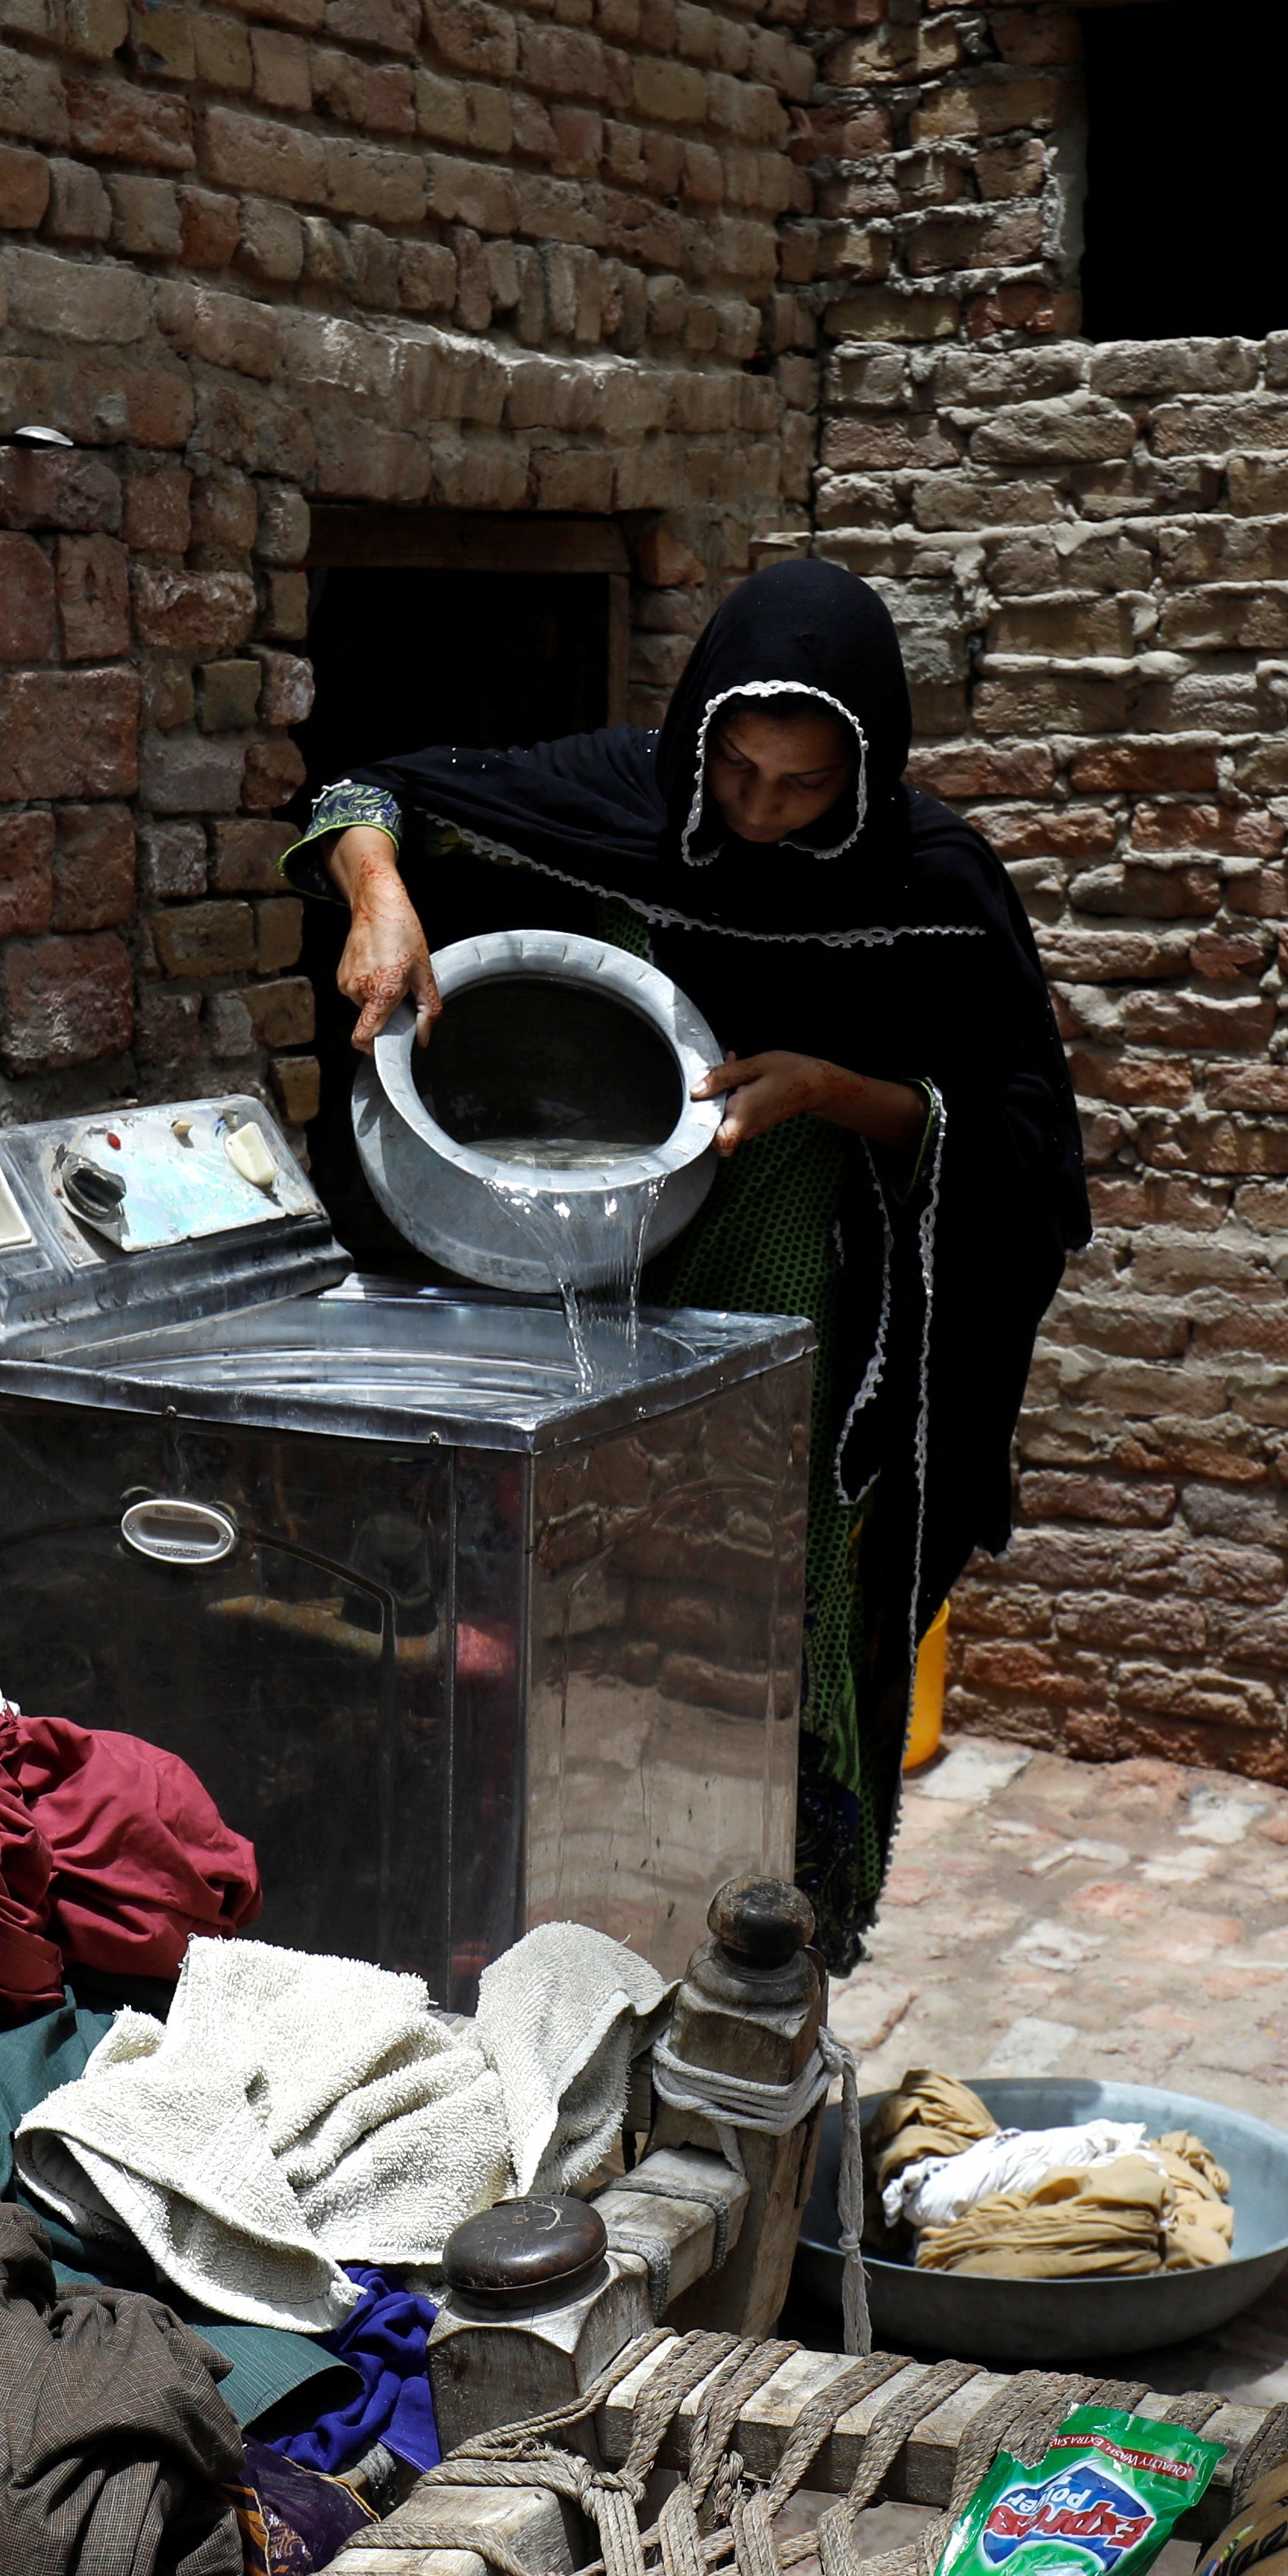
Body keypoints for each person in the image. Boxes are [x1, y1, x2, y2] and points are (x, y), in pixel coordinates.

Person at [285, 561, 1089, 1966]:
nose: (761, 811)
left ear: (868, 764)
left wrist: (835, 1090)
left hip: (790, 1233)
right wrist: (378, 897)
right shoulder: (632, 792)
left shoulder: (931, 881)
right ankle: (553, 1890)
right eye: (738, 770)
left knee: (749, 1572)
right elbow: (368, 791)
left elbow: (1023, 1146)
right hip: (586, 1231)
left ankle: (761, 1922)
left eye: (804, 786)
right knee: (567, 1551)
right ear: (698, 734)